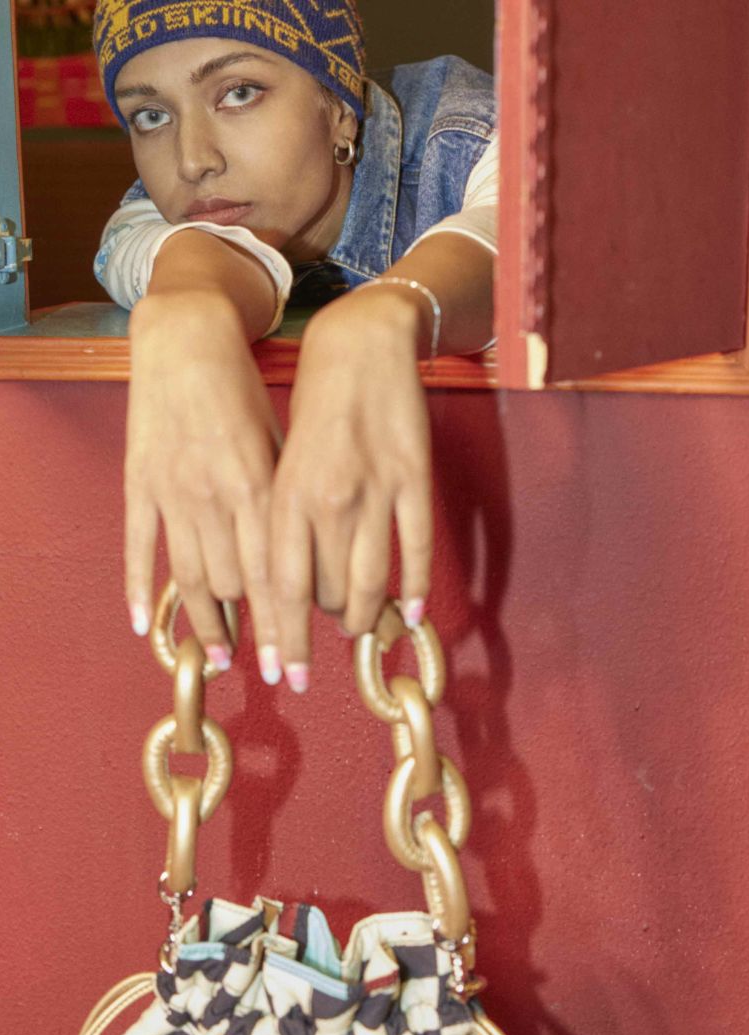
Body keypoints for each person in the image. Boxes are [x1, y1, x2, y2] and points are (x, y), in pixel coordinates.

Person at [92, 1, 498, 692]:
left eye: (239, 93)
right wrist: (185, 315)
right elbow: (195, 256)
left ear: (339, 107)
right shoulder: (149, 214)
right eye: (151, 116)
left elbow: (522, 229)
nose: (193, 161)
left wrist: (383, 318)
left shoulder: (466, 135)